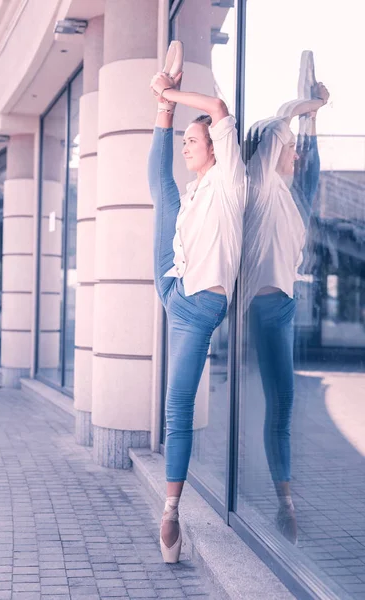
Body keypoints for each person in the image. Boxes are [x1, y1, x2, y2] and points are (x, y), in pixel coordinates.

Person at [148, 41, 245, 563]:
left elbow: (218, 110)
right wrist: (168, 103)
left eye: (191, 139)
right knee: (161, 189)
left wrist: (176, 92)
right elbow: (168, 183)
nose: (188, 146)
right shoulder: (193, 195)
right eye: (182, 139)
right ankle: (160, 108)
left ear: (213, 146)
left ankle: (170, 513)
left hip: (199, 308)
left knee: (176, 407)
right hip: (172, 288)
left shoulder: (230, 181)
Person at [242, 80, 329, 545]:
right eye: (289, 148)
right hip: (260, 308)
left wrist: (313, 121)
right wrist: (306, 105)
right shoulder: (257, 183)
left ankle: (284, 502)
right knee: (273, 405)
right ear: (270, 150)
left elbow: (310, 168)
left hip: (284, 309)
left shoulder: (294, 201)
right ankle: (278, 502)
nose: (294, 155)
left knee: (283, 407)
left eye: (297, 149)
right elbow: (279, 121)